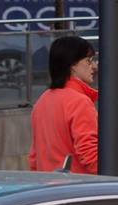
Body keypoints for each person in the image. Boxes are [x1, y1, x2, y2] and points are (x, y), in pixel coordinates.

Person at [27, 35, 99, 174]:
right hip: (79, 188)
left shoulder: (43, 100)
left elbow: (34, 157)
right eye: (88, 61)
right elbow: (90, 155)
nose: (94, 66)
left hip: (48, 187)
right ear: (72, 65)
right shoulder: (80, 102)